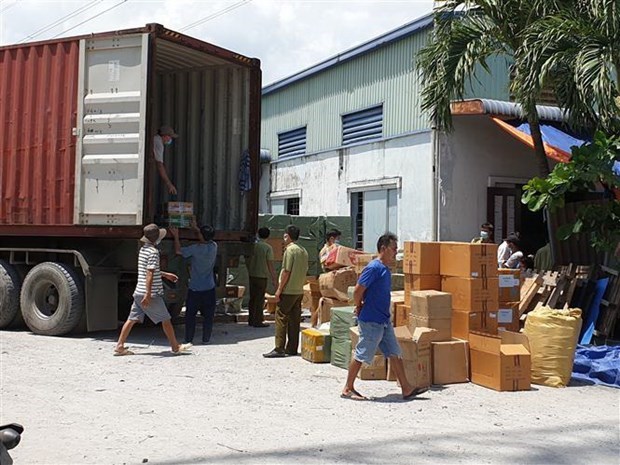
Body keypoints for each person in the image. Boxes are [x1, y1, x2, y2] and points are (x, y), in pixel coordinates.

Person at [341, 233, 422, 401]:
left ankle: (406, 388)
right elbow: (357, 291)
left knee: (394, 352)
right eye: (393, 249)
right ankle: (347, 388)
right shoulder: (374, 268)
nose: (395, 252)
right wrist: (359, 306)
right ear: (383, 249)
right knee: (362, 354)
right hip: (371, 320)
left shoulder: (385, 269)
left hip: (383, 320)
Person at [114, 224, 192, 356]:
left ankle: (120, 346)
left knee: (131, 319)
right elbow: (149, 273)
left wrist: (165, 275)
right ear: (157, 239)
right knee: (166, 320)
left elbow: (149, 270)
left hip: (139, 291)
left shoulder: (143, 250)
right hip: (151, 294)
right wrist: (148, 294)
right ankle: (175, 347)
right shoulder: (154, 252)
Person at [263, 224, 309, 358]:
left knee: (281, 317)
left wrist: (278, 290)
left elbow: (286, 272)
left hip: (288, 290)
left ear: (288, 236)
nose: (283, 237)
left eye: (285, 235)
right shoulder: (303, 251)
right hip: (298, 290)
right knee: (295, 320)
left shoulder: (290, 251)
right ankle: (292, 347)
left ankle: (279, 348)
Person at [170, 221, 218, 344]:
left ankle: (188, 339)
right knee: (208, 316)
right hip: (209, 288)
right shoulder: (214, 247)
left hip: (195, 288)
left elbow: (179, 251)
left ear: (201, 236)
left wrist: (176, 236)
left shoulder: (196, 249)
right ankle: (206, 338)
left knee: (190, 316)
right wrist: (196, 228)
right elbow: (205, 237)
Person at [246, 227, 277, 328]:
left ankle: (251, 319)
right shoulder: (267, 248)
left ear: (258, 234)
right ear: (268, 236)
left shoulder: (253, 246)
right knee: (259, 299)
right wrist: (274, 278)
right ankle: (258, 321)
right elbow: (270, 265)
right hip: (262, 276)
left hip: (252, 275)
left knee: (252, 298)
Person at [154, 126, 179, 195]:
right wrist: (169, 184)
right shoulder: (159, 143)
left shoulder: (155, 139)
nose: (170, 139)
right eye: (169, 137)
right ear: (164, 136)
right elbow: (160, 165)